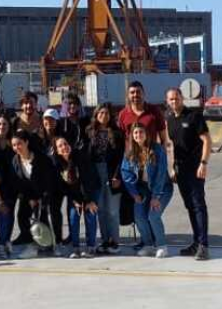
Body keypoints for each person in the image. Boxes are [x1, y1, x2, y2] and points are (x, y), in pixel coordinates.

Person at [165, 87, 213, 260]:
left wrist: (204, 163)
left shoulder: (194, 116)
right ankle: (196, 243)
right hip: (181, 170)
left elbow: (207, 140)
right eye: (170, 99)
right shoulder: (169, 119)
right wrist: (171, 168)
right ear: (167, 102)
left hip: (195, 168)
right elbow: (170, 145)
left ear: (182, 98)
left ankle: (204, 245)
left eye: (176, 98)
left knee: (199, 205)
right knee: (190, 207)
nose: (173, 101)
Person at [121, 122, 173, 258]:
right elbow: (125, 173)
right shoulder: (130, 153)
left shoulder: (157, 150)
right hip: (143, 189)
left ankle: (162, 246)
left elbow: (161, 174)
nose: (139, 135)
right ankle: (148, 245)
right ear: (132, 135)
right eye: (136, 132)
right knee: (139, 216)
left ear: (147, 134)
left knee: (153, 215)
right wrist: (135, 193)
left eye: (141, 132)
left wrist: (156, 196)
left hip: (162, 188)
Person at [11, 129, 61, 257]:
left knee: (44, 217)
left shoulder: (41, 159)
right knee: (22, 215)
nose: (17, 147)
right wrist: (30, 199)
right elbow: (19, 183)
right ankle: (30, 241)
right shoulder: (15, 161)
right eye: (14, 145)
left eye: (19, 144)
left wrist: (41, 199)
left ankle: (52, 244)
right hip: (29, 195)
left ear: (27, 142)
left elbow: (49, 182)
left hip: (45, 193)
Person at [86, 103, 125, 254]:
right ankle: (104, 240)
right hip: (95, 173)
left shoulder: (117, 133)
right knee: (101, 210)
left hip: (112, 173)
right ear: (96, 115)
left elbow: (122, 157)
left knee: (113, 211)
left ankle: (114, 241)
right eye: (101, 113)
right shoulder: (89, 132)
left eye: (107, 113)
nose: (104, 116)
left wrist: (117, 176)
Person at [53, 136, 101, 258]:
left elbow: (87, 181)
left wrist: (88, 201)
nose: (64, 147)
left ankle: (91, 247)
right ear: (57, 151)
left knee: (90, 214)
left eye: (65, 143)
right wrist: (75, 201)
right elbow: (64, 187)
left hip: (90, 190)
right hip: (75, 195)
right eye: (60, 146)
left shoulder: (80, 157)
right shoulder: (58, 165)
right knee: (74, 216)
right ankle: (75, 247)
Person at [0, 116, 20, 247]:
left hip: (10, 185)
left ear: (9, 127)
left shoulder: (13, 143)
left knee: (7, 213)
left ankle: (5, 240)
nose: (1, 127)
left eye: (4, 124)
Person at [41, 110, 68, 244]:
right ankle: (45, 240)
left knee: (55, 210)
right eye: (46, 119)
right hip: (43, 181)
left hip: (58, 181)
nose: (49, 122)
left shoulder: (61, 138)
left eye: (52, 120)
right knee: (43, 211)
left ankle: (58, 239)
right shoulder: (38, 137)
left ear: (57, 122)